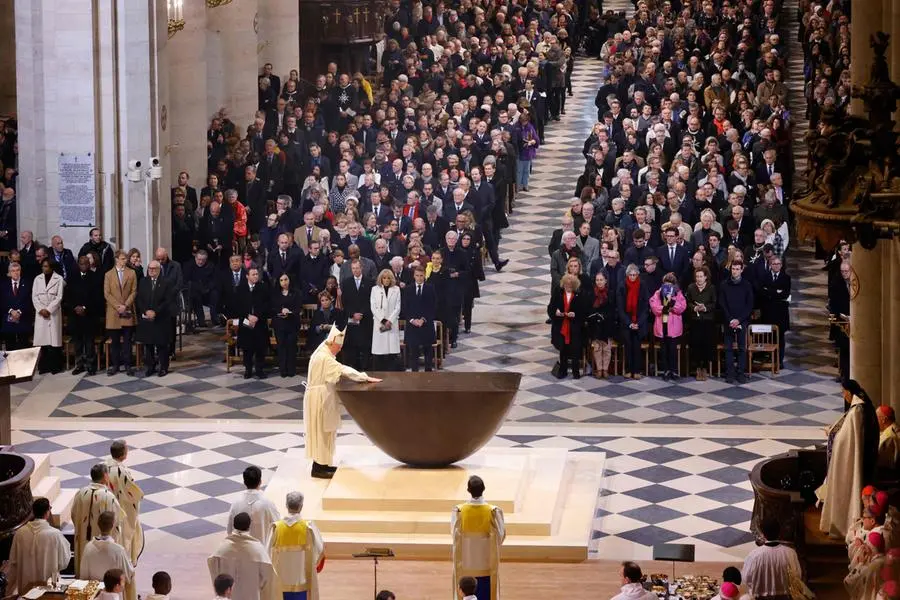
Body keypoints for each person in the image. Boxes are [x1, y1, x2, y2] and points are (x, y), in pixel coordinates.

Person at [304, 326, 381, 478]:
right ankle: (318, 468)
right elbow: (343, 369)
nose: (339, 350)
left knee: (326, 432)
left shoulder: (322, 350)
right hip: (320, 398)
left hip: (321, 396)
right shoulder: (324, 357)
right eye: (338, 347)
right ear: (331, 343)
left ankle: (323, 464)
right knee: (322, 432)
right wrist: (364, 377)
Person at [817, 379, 880, 538]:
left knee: (846, 489)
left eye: (843, 392)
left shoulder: (857, 411)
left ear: (849, 392)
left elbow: (846, 440)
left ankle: (843, 526)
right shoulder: (859, 407)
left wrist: (833, 434)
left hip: (850, 460)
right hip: (856, 456)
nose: (843, 395)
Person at [451, 476, 506, 600]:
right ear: (484, 489)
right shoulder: (493, 512)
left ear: (468, 490)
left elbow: (454, 537)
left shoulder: (459, 511)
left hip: (465, 565)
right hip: (487, 566)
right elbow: (500, 536)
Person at [267, 492, 326, 600]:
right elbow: (320, 550)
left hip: (281, 582)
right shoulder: (308, 528)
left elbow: (266, 554)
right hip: (302, 581)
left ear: (286, 505)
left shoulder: (276, 528)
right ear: (301, 506)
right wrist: (312, 566)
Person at [6, 497, 70, 596]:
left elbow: (13, 561)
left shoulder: (20, 533)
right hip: (47, 589)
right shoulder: (55, 534)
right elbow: (64, 561)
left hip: (25, 588)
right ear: (47, 512)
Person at [71, 463, 126, 574]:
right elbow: (116, 523)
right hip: (104, 547)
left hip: (83, 542)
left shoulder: (80, 493)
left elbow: (74, 515)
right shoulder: (108, 497)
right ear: (106, 476)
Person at [208, 513, 276, 600]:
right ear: (249, 526)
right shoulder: (257, 549)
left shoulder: (223, 548)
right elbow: (267, 573)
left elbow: (214, 569)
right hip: (251, 594)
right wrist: (257, 585)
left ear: (234, 525)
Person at [104, 440, 144, 572]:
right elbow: (133, 493)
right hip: (120, 510)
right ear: (123, 455)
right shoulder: (122, 472)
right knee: (122, 538)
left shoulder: (103, 467)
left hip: (105, 509)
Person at [742, 517, 805, 600]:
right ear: (779, 532)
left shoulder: (754, 556)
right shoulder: (790, 553)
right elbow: (798, 575)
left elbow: (746, 579)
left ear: (763, 534)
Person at [80, 511, 136, 600]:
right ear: (113, 525)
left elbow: (83, 575)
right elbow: (129, 574)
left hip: (94, 593)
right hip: (112, 594)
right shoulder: (118, 550)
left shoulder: (88, 547)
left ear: (98, 524)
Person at [135, 260, 174, 377]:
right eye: (149, 268)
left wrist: (155, 312)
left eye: (154, 269)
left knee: (161, 344)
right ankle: (150, 367)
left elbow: (167, 301)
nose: (151, 270)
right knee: (149, 344)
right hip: (146, 318)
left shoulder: (166, 282)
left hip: (161, 318)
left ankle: (163, 367)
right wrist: (146, 311)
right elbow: (139, 299)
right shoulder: (143, 281)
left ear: (159, 270)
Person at [227, 466, 280, 547]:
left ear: (244, 482)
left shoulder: (236, 502)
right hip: (261, 553)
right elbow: (278, 527)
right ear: (260, 482)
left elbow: (230, 530)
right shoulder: (268, 503)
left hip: (240, 552)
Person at [66, 256, 102, 374]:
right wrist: (75, 307)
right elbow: (67, 297)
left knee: (89, 343)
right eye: (81, 264)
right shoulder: (72, 277)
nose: (84, 266)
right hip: (75, 316)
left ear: (89, 264)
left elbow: (97, 298)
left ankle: (91, 365)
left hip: (89, 316)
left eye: (86, 264)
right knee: (78, 343)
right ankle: (79, 364)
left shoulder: (95, 277)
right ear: (78, 264)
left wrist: (85, 308)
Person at [719, 261, 754, 384]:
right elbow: (722, 303)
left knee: (741, 348)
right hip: (728, 320)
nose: (735, 271)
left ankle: (740, 373)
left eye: (737, 269)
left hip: (742, 321)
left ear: (741, 270)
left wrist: (739, 320)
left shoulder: (747, 285)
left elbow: (749, 305)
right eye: (733, 269)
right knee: (728, 348)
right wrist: (730, 319)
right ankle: (730, 374)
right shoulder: (724, 285)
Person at [104, 250, 138, 376]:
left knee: (128, 341)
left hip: (127, 310)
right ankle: (115, 365)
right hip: (114, 312)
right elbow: (107, 293)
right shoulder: (108, 274)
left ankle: (128, 365)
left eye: (125, 259)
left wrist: (125, 305)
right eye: (123, 259)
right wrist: (118, 306)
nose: (125, 261)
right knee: (115, 341)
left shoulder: (132, 273)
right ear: (117, 259)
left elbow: (134, 291)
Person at [649, 273, 687, 381]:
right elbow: (654, 306)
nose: (668, 286)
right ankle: (666, 370)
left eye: (670, 284)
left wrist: (673, 304)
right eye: (666, 283)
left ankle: (674, 370)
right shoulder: (658, 293)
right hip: (662, 325)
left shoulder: (678, 293)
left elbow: (682, 307)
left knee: (672, 349)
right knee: (664, 349)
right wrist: (664, 308)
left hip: (673, 326)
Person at [234, 267, 271, 379]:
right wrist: (247, 316)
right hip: (245, 322)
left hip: (260, 322)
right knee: (247, 348)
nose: (256, 276)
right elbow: (237, 306)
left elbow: (267, 304)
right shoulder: (240, 289)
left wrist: (257, 316)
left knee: (260, 347)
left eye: (257, 274)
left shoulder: (263, 287)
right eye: (253, 274)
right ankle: (248, 370)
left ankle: (259, 369)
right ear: (247, 276)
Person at [548, 273, 585, 379]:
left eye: (570, 286)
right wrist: (555, 312)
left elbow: (583, 311)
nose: (568, 287)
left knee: (575, 349)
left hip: (574, 327)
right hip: (561, 325)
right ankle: (562, 370)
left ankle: (575, 371)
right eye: (566, 285)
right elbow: (550, 308)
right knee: (563, 349)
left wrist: (575, 314)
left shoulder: (579, 295)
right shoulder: (558, 294)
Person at [32, 257, 65, 373]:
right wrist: (41, 309)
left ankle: (55, 366)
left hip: (53, 313)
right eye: (43, 266)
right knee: (43, 342)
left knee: (53, 342)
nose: (44, 268)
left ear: (51, 267)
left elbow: (59, 297)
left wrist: (49, 310)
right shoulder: (37, 279)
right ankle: (44, 366)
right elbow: (34, 297)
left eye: (46, 266)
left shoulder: (59, 279)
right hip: (41, 314)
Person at [757, 256, 791, 369]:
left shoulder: (786, 278)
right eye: (774, 264)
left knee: (780, 337)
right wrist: (776, 292)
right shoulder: (764, 276)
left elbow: (785, 294)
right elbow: (761, 292)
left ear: (781, 265)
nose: (776, 266)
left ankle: (779, 360)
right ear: (770, 265)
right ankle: (768, 357)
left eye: (778, 264)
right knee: (767, 336)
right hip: (767, 312)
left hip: (780, 314)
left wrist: (770, 292)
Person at [617, 264, 650, 380]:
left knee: (637, 345)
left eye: (634, 275)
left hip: (639, 321)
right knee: (628, 346)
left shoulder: (643, 285)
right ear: (627, 275)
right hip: (627, 321)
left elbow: (646, 307)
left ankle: (637, 370)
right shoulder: (622, 286)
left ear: (637, 275)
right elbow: (620, 308)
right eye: (630, 275)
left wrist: (638, 323)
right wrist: (629, 323)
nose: (632, 277)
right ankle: (628, 369)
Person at [340, 259, 374, 371]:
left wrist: (362, 313)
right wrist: (353, 314)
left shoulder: (370, 282)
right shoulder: (346, 282)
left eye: (357, 268)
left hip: (366, 319)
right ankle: (354, 369)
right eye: (353, 268)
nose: (355, 270)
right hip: (352, 319)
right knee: (353, 346)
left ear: (361, 268)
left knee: (365, 345)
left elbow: (371, 301)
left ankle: (365, 368)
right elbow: (345, 302)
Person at [685, 267, 717, 381]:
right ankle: (698, 368)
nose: (698, 279)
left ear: (705, 277)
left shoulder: (711, 288)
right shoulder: (691, 288)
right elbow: (687, 302)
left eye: (701, 276)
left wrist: (705, 308)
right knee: (696, 345)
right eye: (697, 276)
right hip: (695, 321)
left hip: (708, 321)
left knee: (706, 345)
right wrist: (694, 308)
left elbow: (714, 304)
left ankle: (705, 368)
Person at [403, 267, 437, 371]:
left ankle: (428, 376)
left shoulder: (430, 288)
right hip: (412, 326)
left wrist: (423, 319)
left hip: (426, 325)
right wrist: (413, 320)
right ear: (414, 276)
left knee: (428, 352)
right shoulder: (408, 289)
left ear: (424, 276)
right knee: (413, 353)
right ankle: (414, 375)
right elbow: (404, 307)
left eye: (421, 276)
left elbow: (434, 306)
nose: (419, 278)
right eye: (417, 275)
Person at [370, 269, 402, 370]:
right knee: (380, 349)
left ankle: (392, 372)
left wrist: (389, 321)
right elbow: (373, 307)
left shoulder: (396, 289)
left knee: (391, 350)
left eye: (388, 278)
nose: (386, 280)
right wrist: (383, 320)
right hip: (379, 323)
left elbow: (398, 307)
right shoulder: (375, 289)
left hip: (391, 323)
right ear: (381, 279)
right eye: (384, 278)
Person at [586, 271, 616, 379]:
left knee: (607, 348)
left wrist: (604, 317)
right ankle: (599, 369)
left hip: (607, 324)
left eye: (601, 280)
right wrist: (596, 317)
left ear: (606, 281)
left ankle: (605, 369)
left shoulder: (610, 293)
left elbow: (612, 309)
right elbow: (589, 309)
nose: (599, 282)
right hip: (595, 325)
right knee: (597, 348)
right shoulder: (591, 293)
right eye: (597, 280)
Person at [273, 273, 301, 377]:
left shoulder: (296, 293)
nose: (284, 282)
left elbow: (298, 308)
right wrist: (281, 310)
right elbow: (273, 308)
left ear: (289, 280)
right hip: (280, 324)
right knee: (281, 346)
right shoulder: (275, 294)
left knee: (291, 346)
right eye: (281, 280)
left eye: (286, 279)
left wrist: (290, 311)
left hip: (292, 323)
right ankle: (283, 370)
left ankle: (291, 370)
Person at [1, 262, 33, 351]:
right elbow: (2, 301)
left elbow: (29, 300)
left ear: (20, 271)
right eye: (13, 271)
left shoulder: (27, 283)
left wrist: (19, 311)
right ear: (9, 273)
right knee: (10, 347)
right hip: (8, 320)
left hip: (23, 318)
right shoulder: (3, 285)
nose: (16, 272)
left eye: (18, 270)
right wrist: (11, 311)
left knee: (23, 348)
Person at [877, 406, 900, 471]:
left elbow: (882, 462)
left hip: (887, 476)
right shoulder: (893, 429)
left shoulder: (889, 436)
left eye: (876, 417)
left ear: (884, 419)